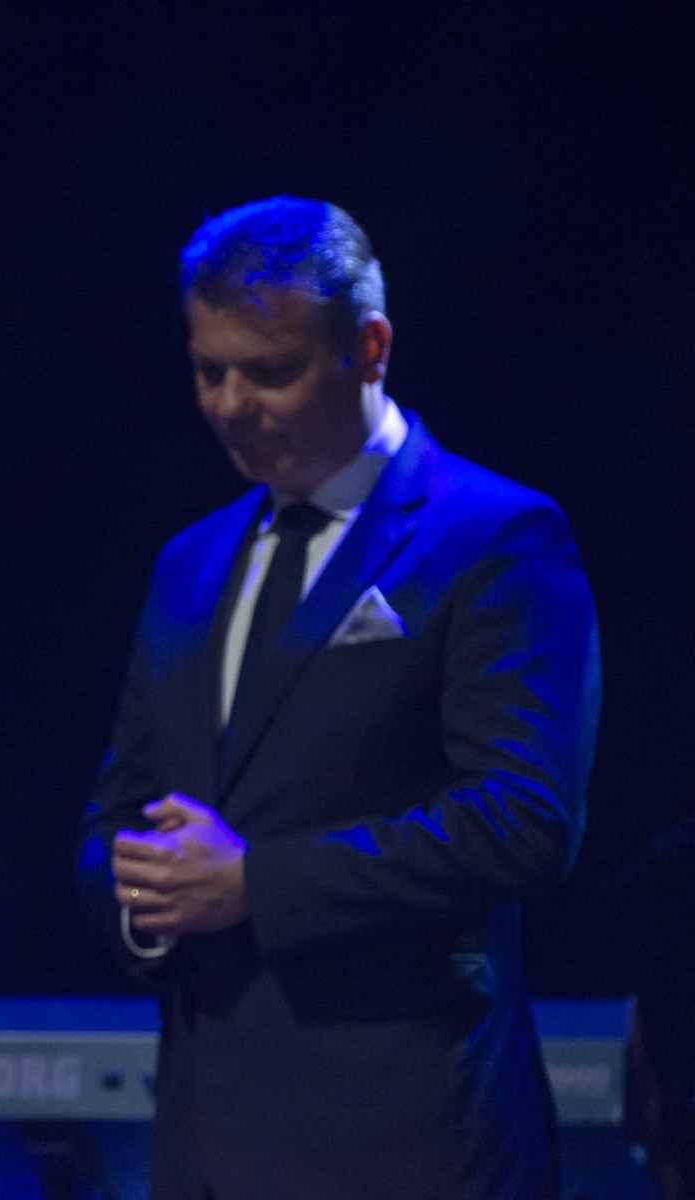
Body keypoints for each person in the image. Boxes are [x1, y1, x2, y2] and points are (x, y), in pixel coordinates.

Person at [75, 196, 600, 1200]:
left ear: (370, 348)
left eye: (270, 371)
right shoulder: (190, 563)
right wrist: (146, 904)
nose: (232, 404)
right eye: (209, 371)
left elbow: (524, 823)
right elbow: (116, 818)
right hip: (205, 1141)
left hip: (410, 1137)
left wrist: (255, 883)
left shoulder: (494, 536)